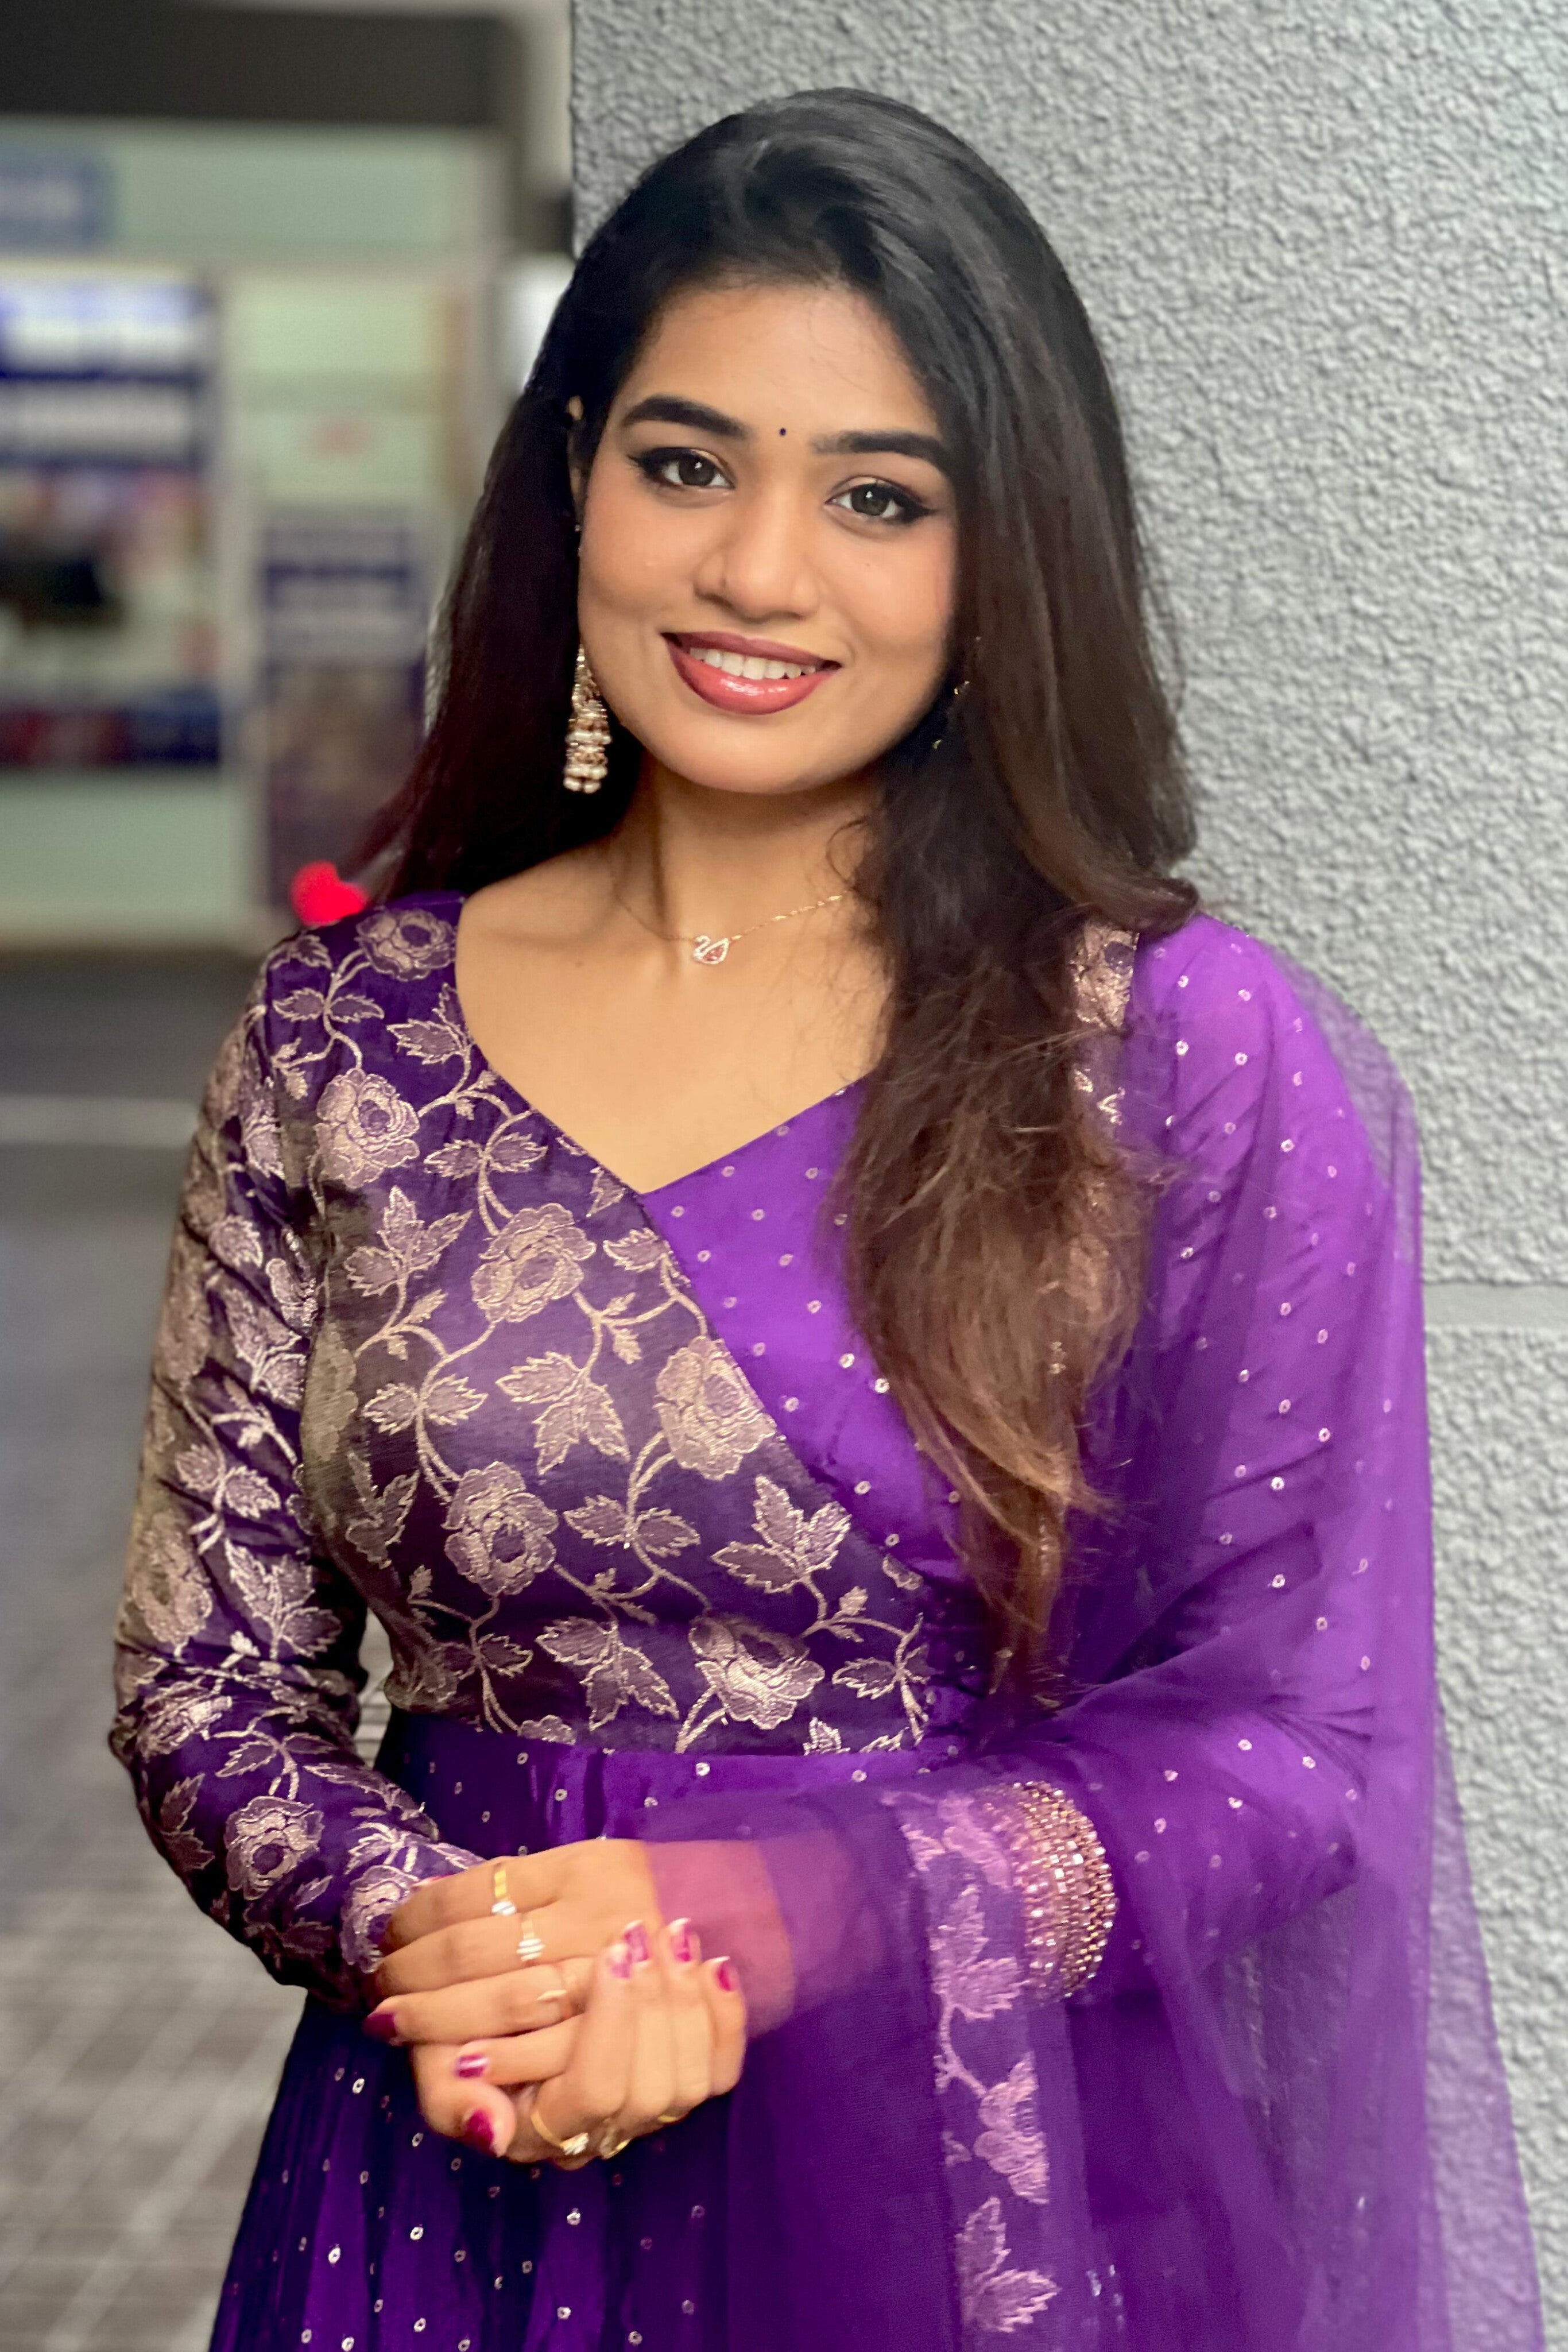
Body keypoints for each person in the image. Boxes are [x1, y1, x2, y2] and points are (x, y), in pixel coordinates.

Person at [111, 88, 1542, 2352]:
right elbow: (207, 1686)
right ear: (572, 472)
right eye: (686, 463)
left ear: (999, 556)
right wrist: (458, 1953)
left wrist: (775, 1918)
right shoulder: (342, 1042)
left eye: (878, 497)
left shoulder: (1165, 1051)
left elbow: (1292, 1744)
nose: (759, 571)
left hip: (970, 2196)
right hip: (444, 2164)